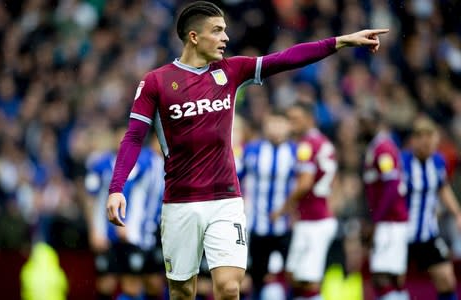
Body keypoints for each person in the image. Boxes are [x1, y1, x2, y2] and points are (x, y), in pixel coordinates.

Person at [106, 1, 389, 298]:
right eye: (217, 31)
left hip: (226, 200)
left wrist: (340, 42)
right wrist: (116, 188)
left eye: (225, 31)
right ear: (193, 37)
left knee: (229, 287)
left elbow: (286, 58)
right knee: (182, 293)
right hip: (180, 202)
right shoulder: (156, 82)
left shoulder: (231, 71)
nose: (226, 38)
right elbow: (134, 138)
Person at [85, 132, 165, 300]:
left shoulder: (163, 162)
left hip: (153, 231)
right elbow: (124, 185)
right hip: (132, 232)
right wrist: (124, 221)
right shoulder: (143, 160)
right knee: (126, 284)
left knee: (153, 283)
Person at [271, 102, 338, 300]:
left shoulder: (306, 145)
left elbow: (304, 184)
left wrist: (282, 209)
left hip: (315, 221)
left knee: (308, 280)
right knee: (294, 275)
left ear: (309, 119)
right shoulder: (322, 142)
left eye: (295, 120)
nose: (291, 124)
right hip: (314, 218)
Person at [237, 111, 295, 299]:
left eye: (281, 124)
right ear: (265, 125)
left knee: (290, 276)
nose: (276, 128)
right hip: (256, 226)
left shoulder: (296, 151)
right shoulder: (251, 150)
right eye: (272, 123)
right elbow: (236, 178)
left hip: (284, 227)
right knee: (256, 278)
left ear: (288, 127)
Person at [402, 117, 461, 300]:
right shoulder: (401, 162)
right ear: (414, 140)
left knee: (446, 279)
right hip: (402, 233)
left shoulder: (437, 161)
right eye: (421, 137)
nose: (427, 143)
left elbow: (443, 189)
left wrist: (457, 213)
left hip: (427, 233)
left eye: (431, 137)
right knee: (394, 281)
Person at [361, 112, 409, 300]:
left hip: (390, 221)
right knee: (391, 276)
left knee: (383, 275)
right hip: (388, 220)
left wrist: (376, 219)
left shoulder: (383, 148)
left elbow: (392, 186)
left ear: (376, 123)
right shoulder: (377, 147)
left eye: (364, 123)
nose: (361, 128)